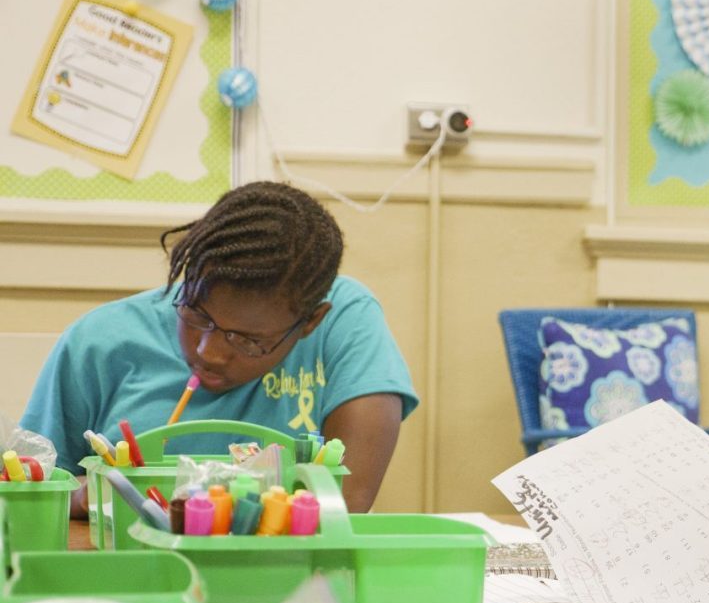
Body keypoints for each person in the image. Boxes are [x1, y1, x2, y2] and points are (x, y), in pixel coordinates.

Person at [23, 181, 416, 514]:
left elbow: (345, 501)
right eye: (195, 313)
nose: (209, 352)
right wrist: (93, 492)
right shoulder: (100, 341)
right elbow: (29, 491)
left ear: (310, 322)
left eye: (247, 340)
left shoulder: (345, 321)